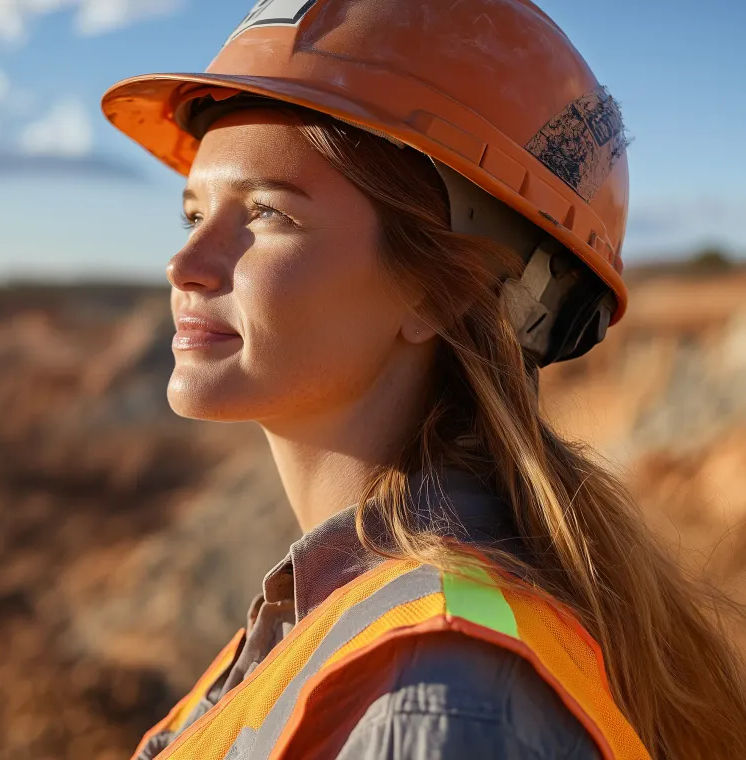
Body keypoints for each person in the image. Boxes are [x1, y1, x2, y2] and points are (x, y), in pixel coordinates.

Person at [101, 1, 746, 758]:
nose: (185, 265)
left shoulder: (435, 700)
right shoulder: (343, 622)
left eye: (267, 213)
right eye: (194, 213)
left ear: (441, 290)